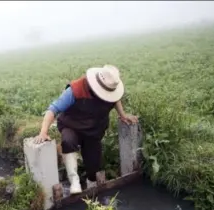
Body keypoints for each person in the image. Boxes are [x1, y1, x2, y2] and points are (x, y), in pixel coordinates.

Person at [34, 65, 138, 194]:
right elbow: (52, 110)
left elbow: (116, 99)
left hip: (94, 130)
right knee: (68, 141)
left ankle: (91, 184)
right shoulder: (76, 89)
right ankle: (74, 181)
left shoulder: (111, 91)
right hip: (71, 125)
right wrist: (43, 132)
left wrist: (123, 115)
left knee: (94, 163)